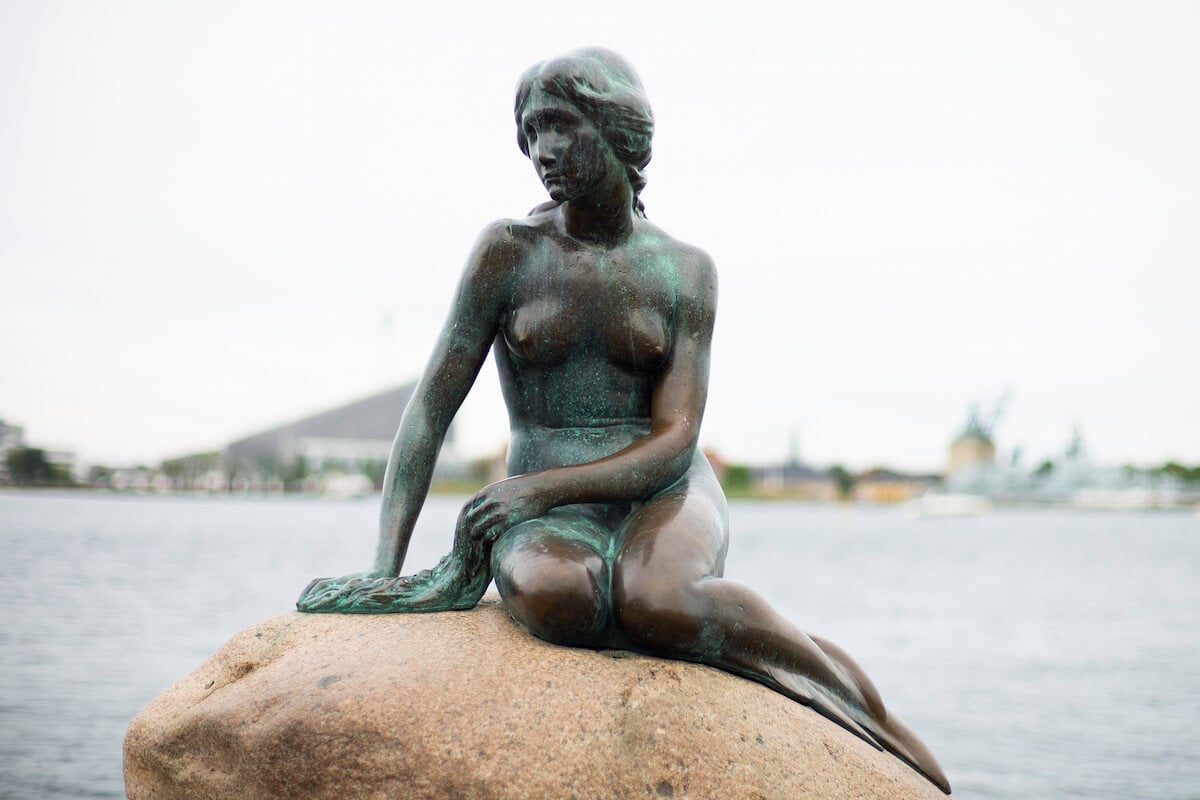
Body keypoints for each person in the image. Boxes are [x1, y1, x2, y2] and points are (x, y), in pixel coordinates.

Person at [297, 47, 949, 794]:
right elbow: (428, 411)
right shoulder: (508, 253)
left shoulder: (685, 270)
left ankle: (848, 695)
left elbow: (677, 437)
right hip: (548, 503)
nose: (541, 150)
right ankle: (737, 628)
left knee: (658, 599)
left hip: (665, 487)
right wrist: (386, 564)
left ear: (617, 131)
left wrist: (534, 493)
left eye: (560, 126)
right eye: (529, 131)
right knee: (562, 599)